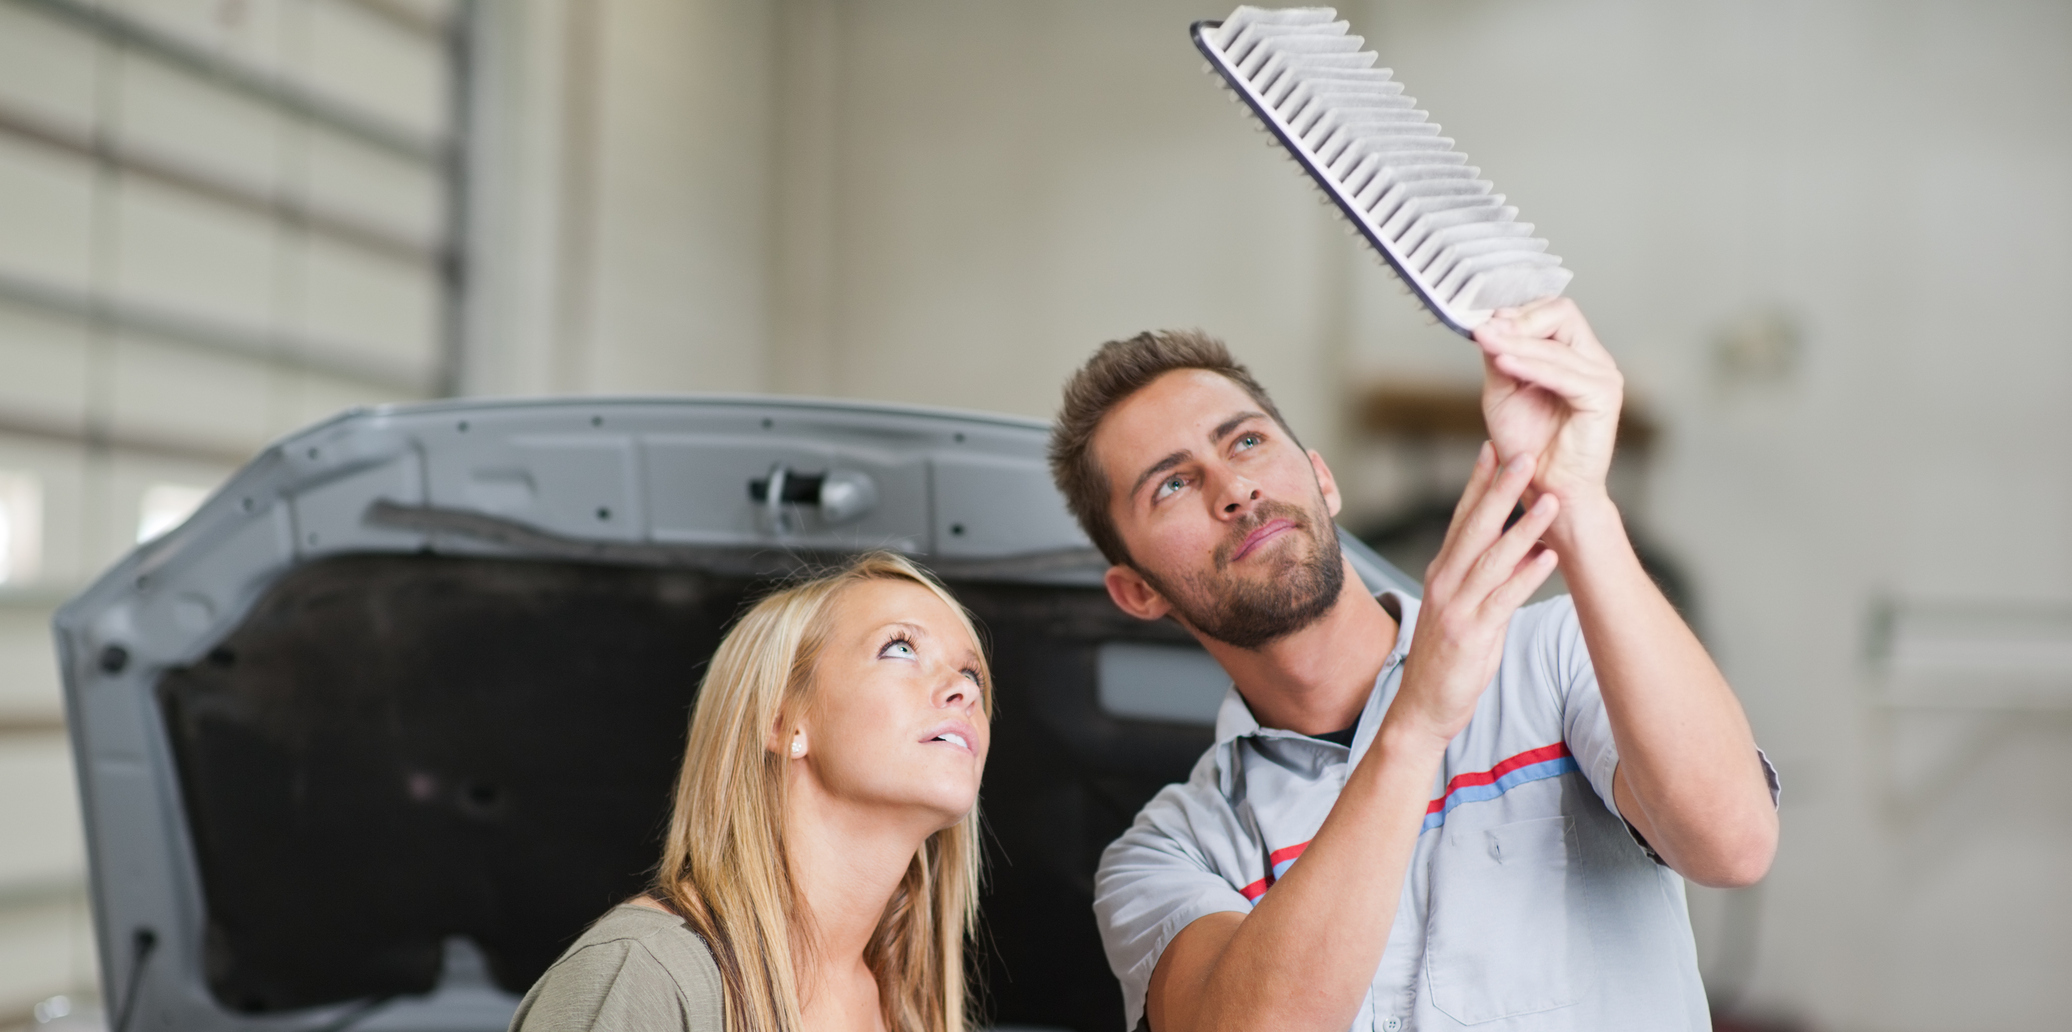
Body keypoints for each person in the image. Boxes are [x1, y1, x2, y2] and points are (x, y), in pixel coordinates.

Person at [1048, 298, 1780, 1032]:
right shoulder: (1170, 853)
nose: (1233, 489)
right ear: (1138, 592)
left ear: (1320, 479)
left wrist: (1579, 501)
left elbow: (1734, 843)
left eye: (1244, 442)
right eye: (1172, 484)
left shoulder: (1556, 656)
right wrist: (1416, 721)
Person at [510, 552, 992, 1032]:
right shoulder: (644, 975)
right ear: (781, 721)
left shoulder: (908, 1013)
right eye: (901, 648)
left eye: (972, 675)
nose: (964, 691)